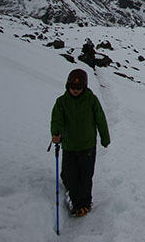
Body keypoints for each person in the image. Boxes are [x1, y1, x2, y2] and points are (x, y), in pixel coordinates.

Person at [50, 68, 110, 217]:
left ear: (84, 86)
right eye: (72, 87)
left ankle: (84, 204)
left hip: (87, 146)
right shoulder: (62, 102)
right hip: (69, 146)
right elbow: (57, 119)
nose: (75, 90)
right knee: (69, 175)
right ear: (67, 85)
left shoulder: (91, 100)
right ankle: (75, 201)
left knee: (85, 176)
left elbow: (100, 119)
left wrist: (105, 137)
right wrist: (56, 133)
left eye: (78, 87)